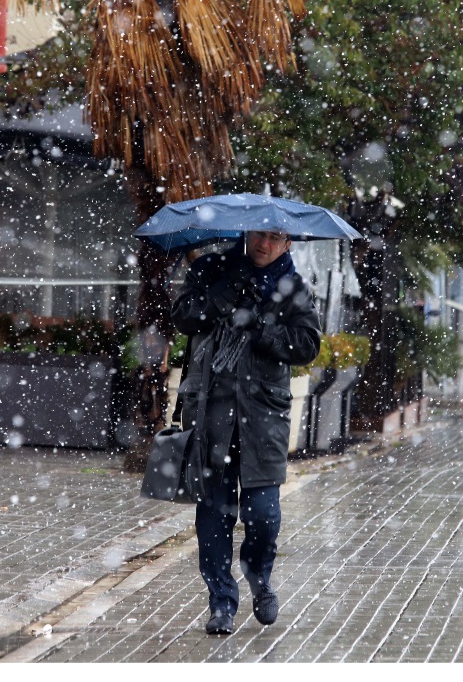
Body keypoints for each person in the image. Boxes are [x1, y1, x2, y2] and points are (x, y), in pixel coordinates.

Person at [171, 230, 321, 635]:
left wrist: (260, 329)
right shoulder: (210, 270)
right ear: (246, 233)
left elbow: (308, 345)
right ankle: (221, 602)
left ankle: (259, 581)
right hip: (210, 411)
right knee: (214, 515)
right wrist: (221, 294)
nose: (265, 244)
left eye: (276, 238)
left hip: (263, 419)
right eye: (260, 235)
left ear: (288, 244)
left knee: (264, 516)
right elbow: (183, 316)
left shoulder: (293, 289)